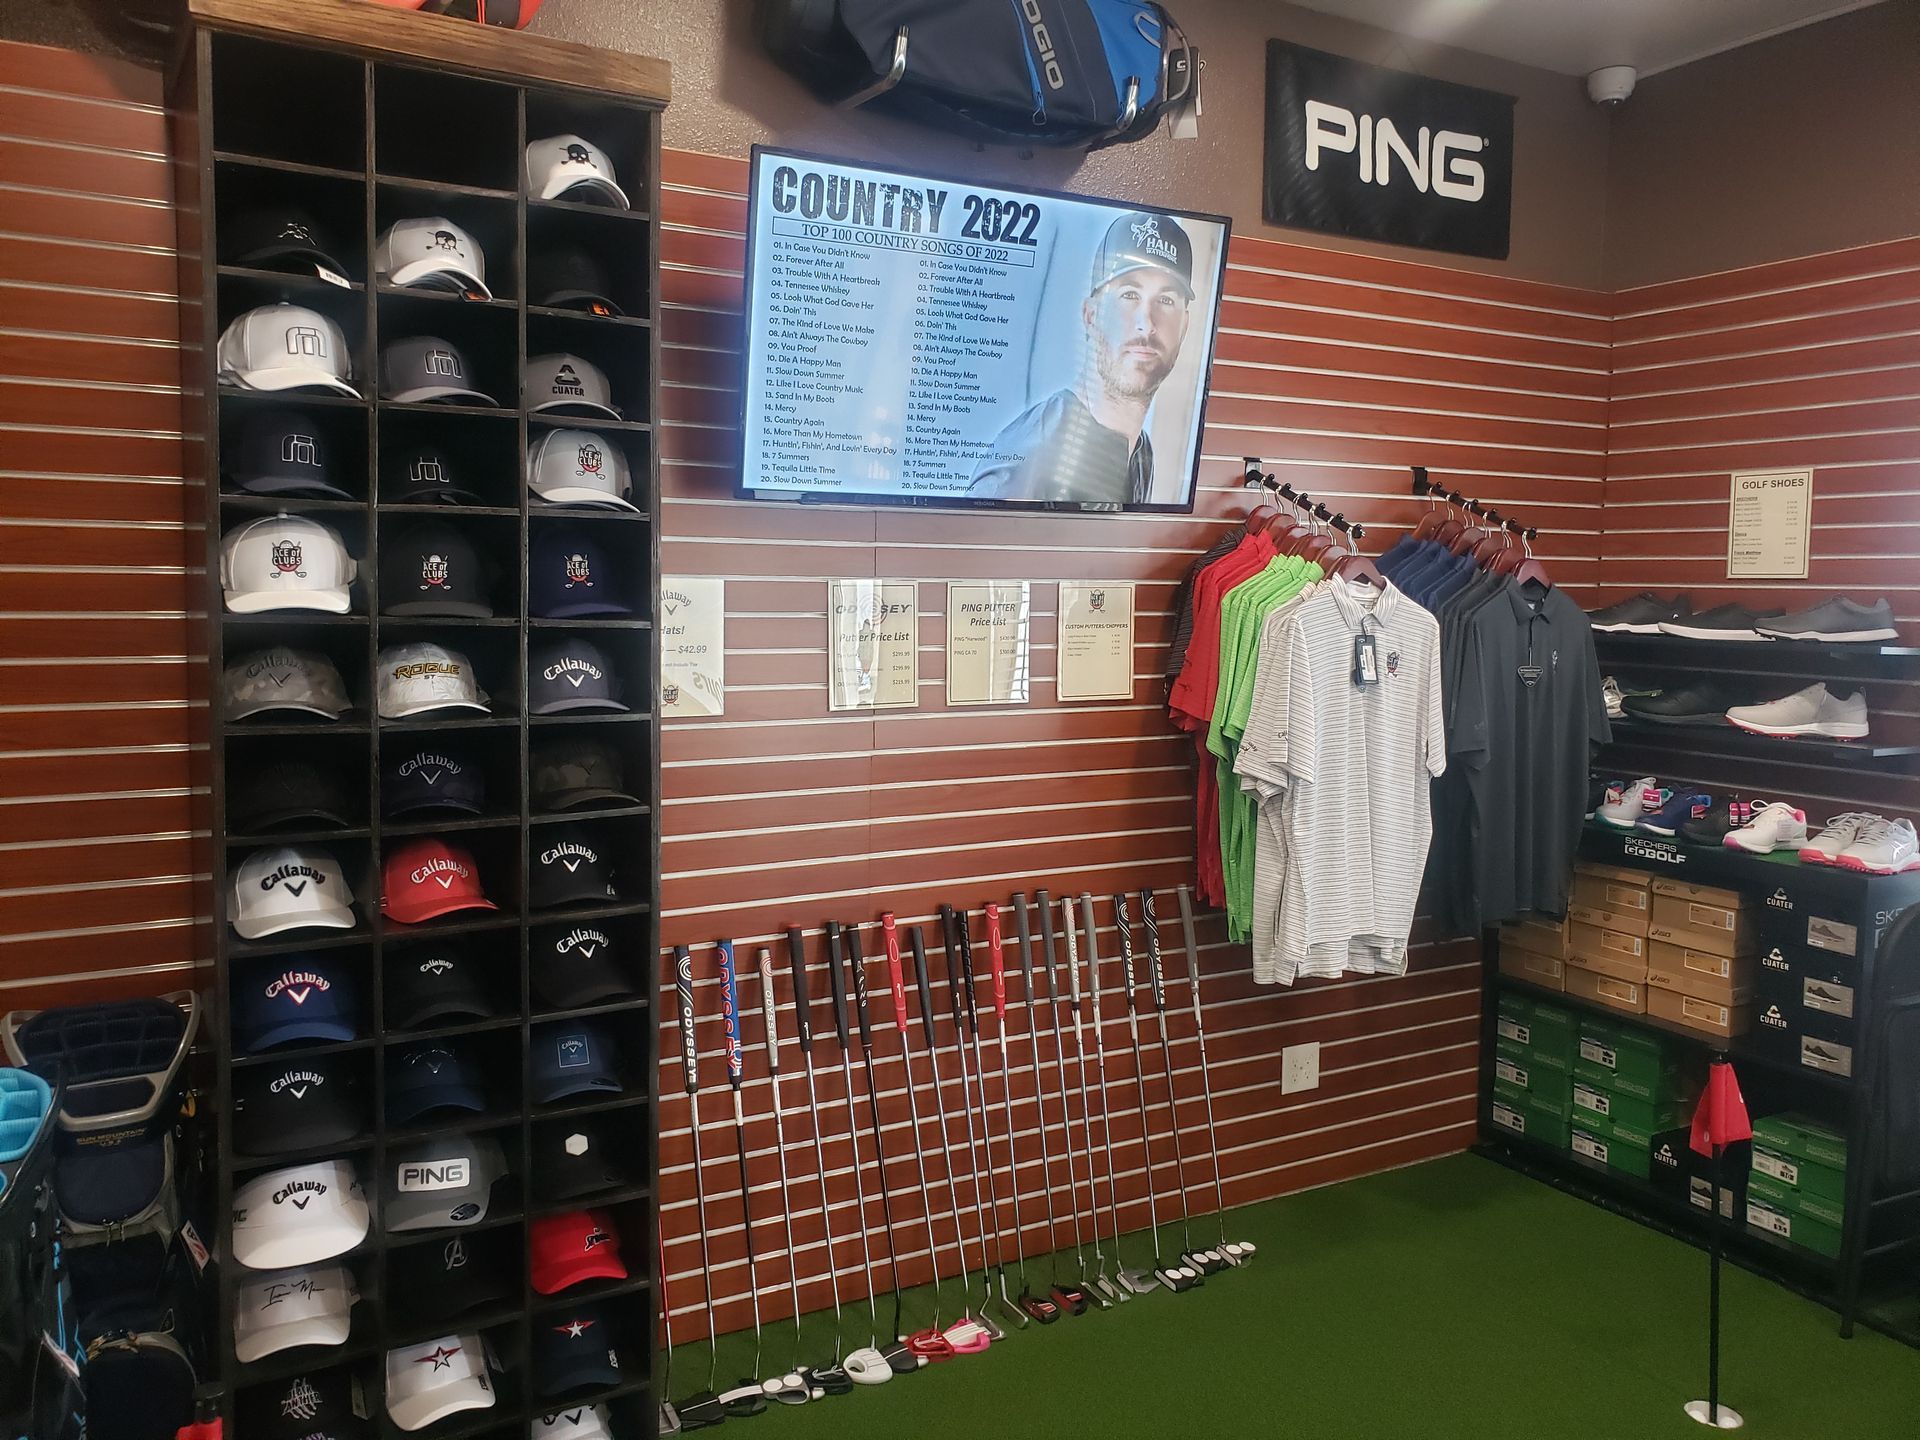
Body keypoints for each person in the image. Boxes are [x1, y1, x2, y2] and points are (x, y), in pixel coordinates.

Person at [969, 209, 1196, 506]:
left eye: (1165, 301)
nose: (1147, 322)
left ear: (1184, 326)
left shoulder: (1141, 451)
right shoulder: (1031, 460)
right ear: (1091, 315)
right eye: (1129, 295)